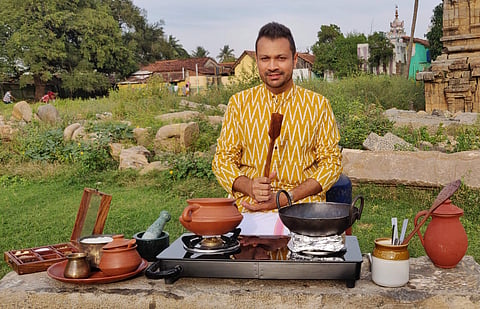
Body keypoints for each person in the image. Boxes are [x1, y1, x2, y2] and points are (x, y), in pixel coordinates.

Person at [212, 22, 342, 235]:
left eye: (280, 58)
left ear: (295, 59)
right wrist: (249, 186)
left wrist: (287, 197)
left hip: (302, 210)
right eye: (265, 59)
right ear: (257, 61)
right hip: (248, 209)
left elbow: (332, 164)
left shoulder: (318, 105)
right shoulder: (239, 104)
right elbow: (222, 160)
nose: (272, 66)